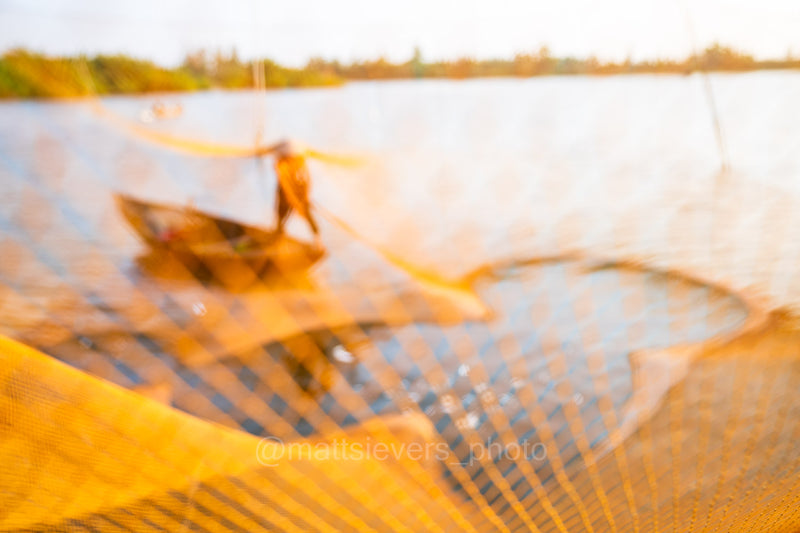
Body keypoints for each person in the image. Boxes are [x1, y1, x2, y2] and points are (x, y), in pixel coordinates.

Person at [259, 139, 321, 244]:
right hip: (288, 192)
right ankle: (278, 233)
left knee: (299, 213)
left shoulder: (295, 167)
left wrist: (303, 197)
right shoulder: (286, 168)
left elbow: (304, 181)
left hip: (296, 192)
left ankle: (316, 239)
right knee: (282, 214)